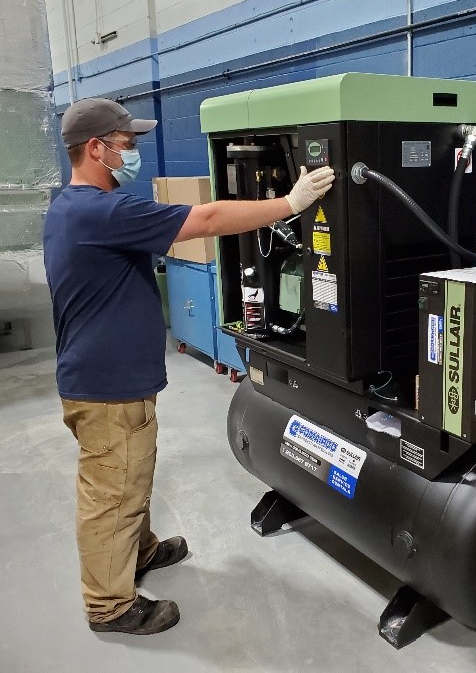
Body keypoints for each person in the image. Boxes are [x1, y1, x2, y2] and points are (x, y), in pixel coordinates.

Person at [44, 98, 334, 635]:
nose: (132, 153)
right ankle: (109, 606)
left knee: (132, 471)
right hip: (106, 386)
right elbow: (205, 218)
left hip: (111, 378)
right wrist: (289, 204)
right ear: (95, 148)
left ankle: (139, 550)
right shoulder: (100, 210)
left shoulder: (73, 207)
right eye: (126, 145)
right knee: (111, 491)